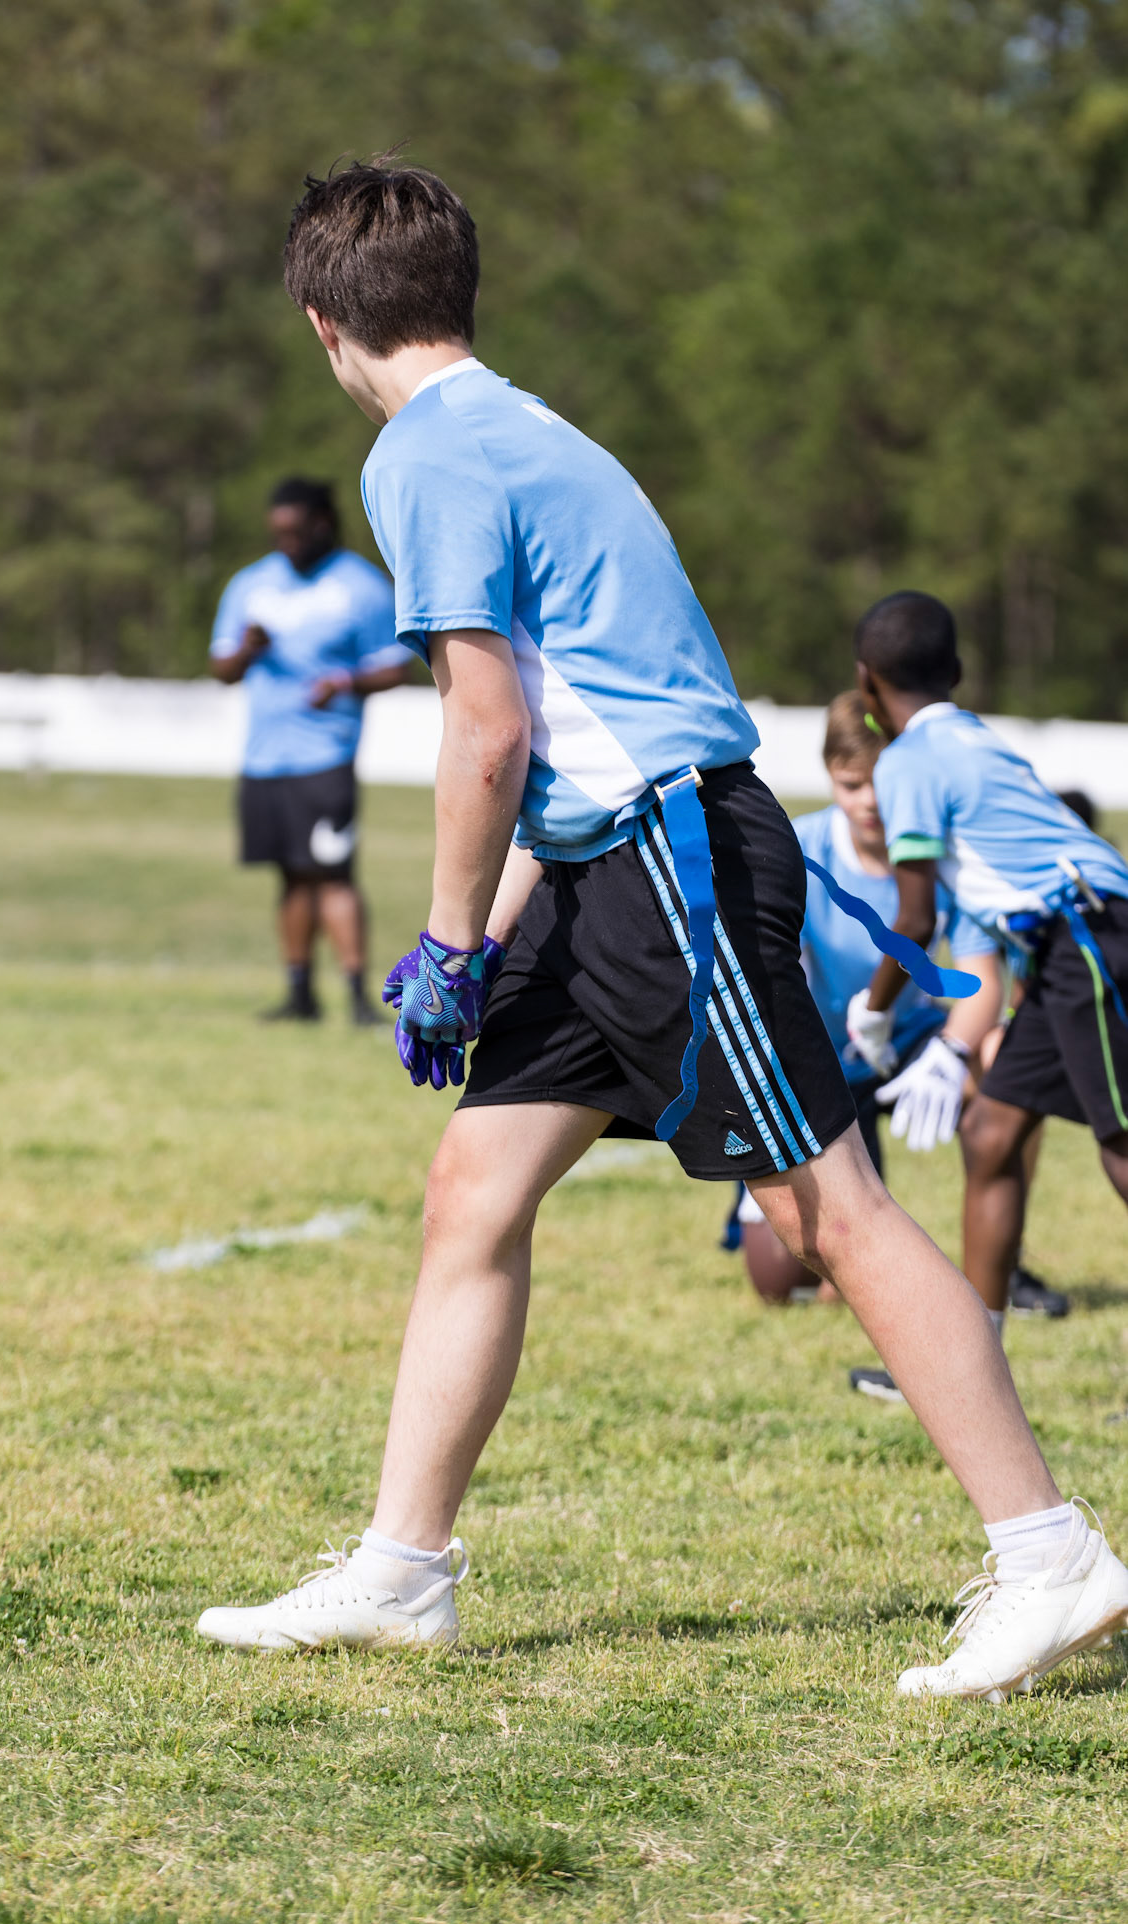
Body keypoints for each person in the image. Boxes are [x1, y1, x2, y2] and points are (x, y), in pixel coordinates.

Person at [196, 159, 1128, 1703]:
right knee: (472, 1188)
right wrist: (491, 934)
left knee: (828, 1210)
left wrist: (444, 943)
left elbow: (490, 731)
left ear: (320, 323)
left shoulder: (422, 454)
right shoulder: (526, 426)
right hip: (600, 865)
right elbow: (572, 737)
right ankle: (402, 1571)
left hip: (669, 865)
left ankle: (1050, 1555)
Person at [734, 693, 1069, 1394]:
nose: (868, 802)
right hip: (814, 1059)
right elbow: (771, 981)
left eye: (881, 784)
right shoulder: (797, 846)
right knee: (780, 1279)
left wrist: (950, 1054)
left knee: (1002, 1061)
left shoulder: (938, 860)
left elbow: (980, 982)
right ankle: (767, 1198)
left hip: (908, 1046)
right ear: (830, 774)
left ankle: (1001, 1262)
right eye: (850, 783)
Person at [850, 592, 1128, 1336]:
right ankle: (973, 1363)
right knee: (991, 1134)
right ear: (957, 670)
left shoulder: (907, 762)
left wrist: (872, 1011)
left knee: (1120, 1142)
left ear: (866, 680)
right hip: (1067, 942)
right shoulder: (979, 741)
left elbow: (914, 919)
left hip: (1091, 937)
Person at [209, 477, 413, 1026]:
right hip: (264, 758)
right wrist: (247, 651)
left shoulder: (361, 587)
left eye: (296, 532)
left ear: (323, 524)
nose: (286, 544)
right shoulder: (251, 584)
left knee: (333, 875)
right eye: (278, 534)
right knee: (291, 876)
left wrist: (344, 683)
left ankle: (358, 997)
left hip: (325, 756)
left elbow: (396, 666)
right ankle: (300, 995)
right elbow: (221, 668)